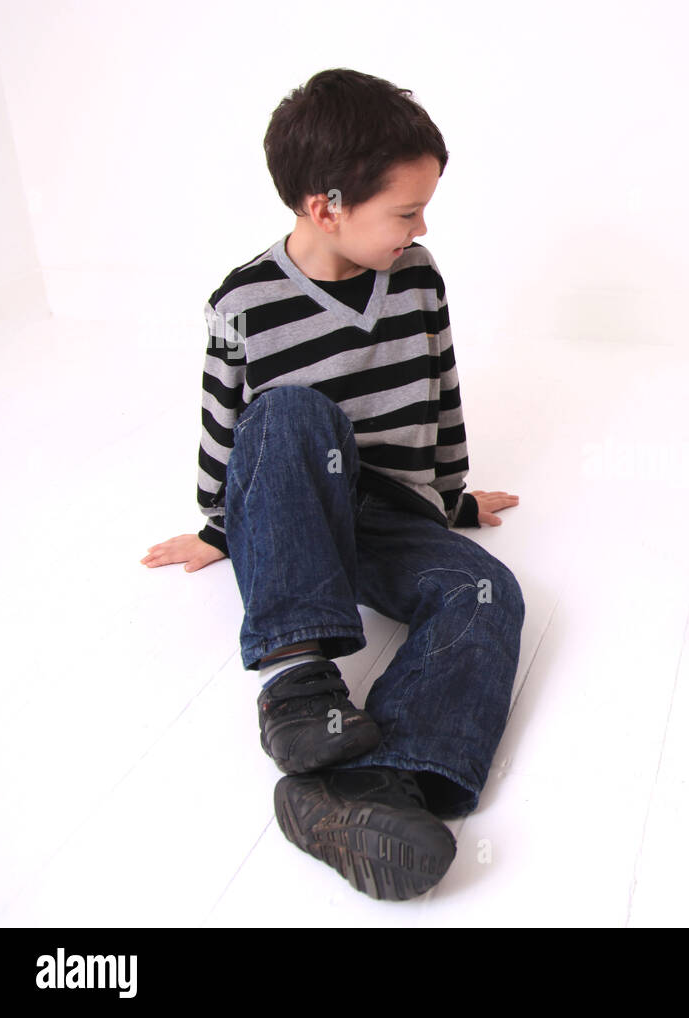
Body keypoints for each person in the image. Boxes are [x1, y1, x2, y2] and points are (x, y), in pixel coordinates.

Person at [142, 68, 525, 899]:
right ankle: (297, 685)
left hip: (382, 514)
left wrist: (452, 494)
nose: (421, 227)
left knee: (489, 592)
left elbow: (439, 388)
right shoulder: (242, 302)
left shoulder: (417, 278)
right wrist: (220, 525)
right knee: (287, 413)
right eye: (405, 211)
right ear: (326, 206)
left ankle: (374, 788)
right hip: (289, 508)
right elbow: (222, 423)